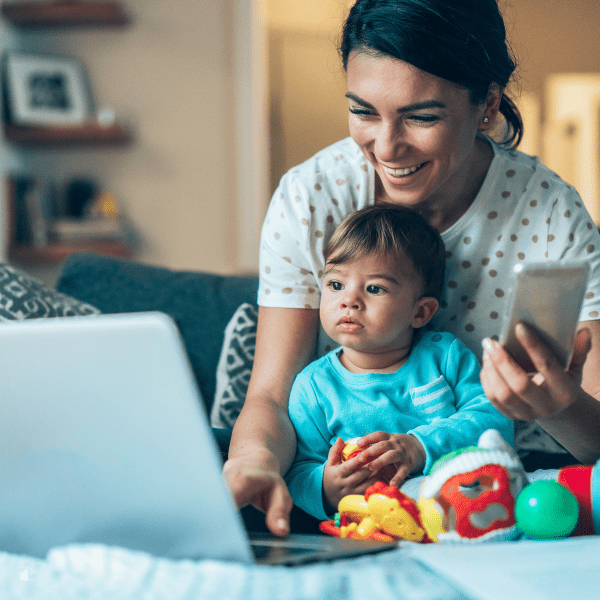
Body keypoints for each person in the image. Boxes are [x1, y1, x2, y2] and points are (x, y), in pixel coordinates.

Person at [224, 0, 600, 537]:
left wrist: (559, 407)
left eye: (421, 116)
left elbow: (597, 439)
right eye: (363, 111)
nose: (387, 145)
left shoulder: (549, 212)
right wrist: (255, 462)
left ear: (488, 103)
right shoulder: (312, 195)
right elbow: (271, 395)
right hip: (352, 494)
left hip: (512, 487)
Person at [284, 204, 513, 519]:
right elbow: (298, 470)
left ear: (420, 312)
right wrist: (325, 487)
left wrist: (420, 447)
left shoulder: (445, 356)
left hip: (467, 501)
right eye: (336, 285)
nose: (348, 300)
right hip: (374, 521)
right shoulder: (313, 387)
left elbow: (495, 421)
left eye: (374, 288)